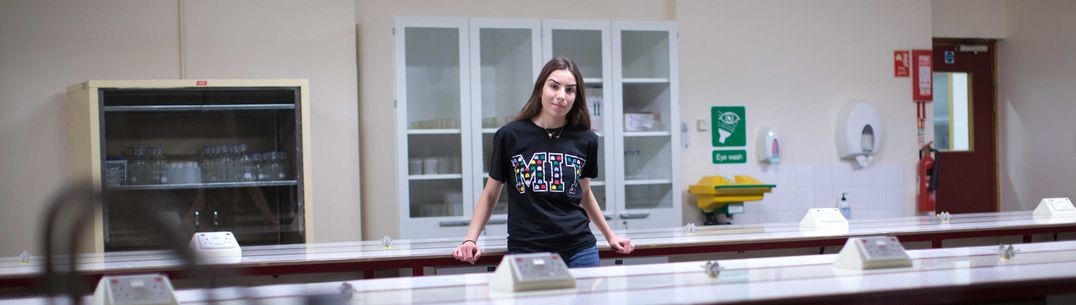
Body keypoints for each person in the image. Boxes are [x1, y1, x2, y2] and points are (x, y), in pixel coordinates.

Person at [451, 56, 634, 268]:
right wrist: (470, 238)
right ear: (541, 88)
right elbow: (491, 193)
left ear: (576, 96)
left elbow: (584, 193)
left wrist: (610, 236)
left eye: (570, 90)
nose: (561, 96)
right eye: (554, 86)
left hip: (579, 249)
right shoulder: (510, 135)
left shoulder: (586, 139)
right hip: (527, 249)